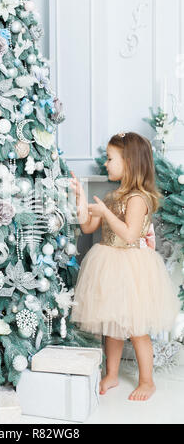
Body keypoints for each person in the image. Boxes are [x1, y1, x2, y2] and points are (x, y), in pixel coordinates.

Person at [69, 132, 181, 401]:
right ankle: (111, 373)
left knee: (137, 330)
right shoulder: (111, 196)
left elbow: (130, 235)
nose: (105, 164)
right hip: (108, 264)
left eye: (110, 159)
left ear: (129, 163)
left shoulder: (137, 199)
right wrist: (81, 200)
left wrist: (107, 213)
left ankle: (147, 381)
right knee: (112, 325)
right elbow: (88, 226)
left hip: (133, 267)